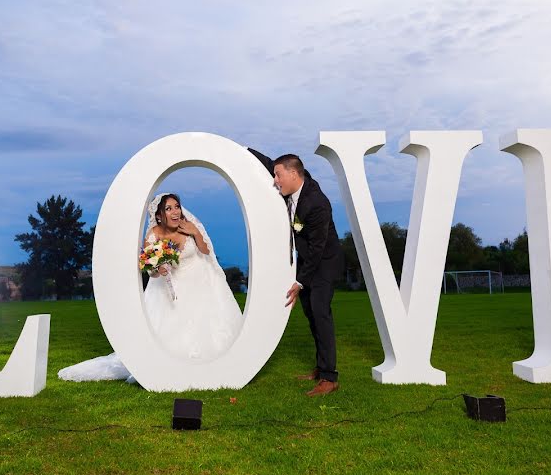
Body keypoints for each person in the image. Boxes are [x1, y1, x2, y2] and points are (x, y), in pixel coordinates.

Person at [57, 193, 243, 382]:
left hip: (199, 282)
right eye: (168, 208)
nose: (175, 212)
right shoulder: (153, 234)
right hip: (169, 287)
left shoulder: (188, 227)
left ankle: (215, 363)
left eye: (177, 206)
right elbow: (150, 270)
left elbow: (205, 251)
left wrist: (195, 232)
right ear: (160, 215)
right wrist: (158, 268)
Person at [249, 149, 344, 397]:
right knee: (312, 315)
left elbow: (317, 248)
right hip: (307, 261)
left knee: (321, 314)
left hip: (323, 263)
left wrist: (300, 281)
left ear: (293, 174)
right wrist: (241, 150)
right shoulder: (293, 179)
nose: (275, 180)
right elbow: (271, 163)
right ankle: (321, 367)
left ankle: (329, 378)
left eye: (278, 175)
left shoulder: (317, 203)